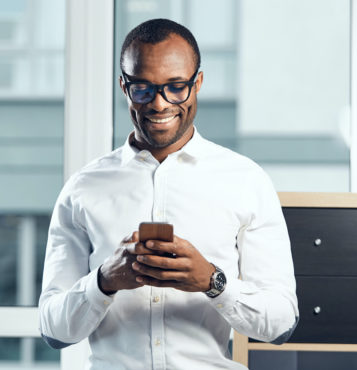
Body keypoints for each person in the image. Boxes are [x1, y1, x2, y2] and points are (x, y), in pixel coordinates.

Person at [39, 18, 298, 370]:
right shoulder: (82, 188)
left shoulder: (247, 181)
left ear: (198, 83)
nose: (160, 104)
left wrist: (212, 281)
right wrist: (104, 281)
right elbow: (53, 329)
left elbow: (281, 323)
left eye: (176, 87)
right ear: (123, 86)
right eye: (143, 88)